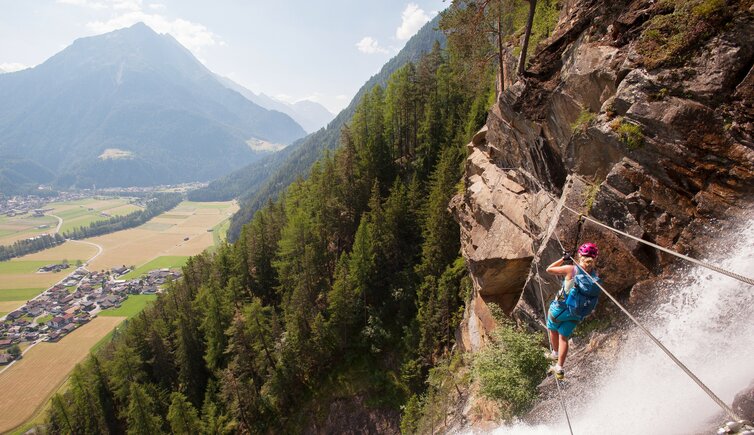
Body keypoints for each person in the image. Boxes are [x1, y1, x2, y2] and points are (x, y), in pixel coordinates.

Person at [545, 242, 601, 379]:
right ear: (594, 259)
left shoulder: (571, 269)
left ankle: (555, 353)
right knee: (563, 337)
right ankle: (559, 367)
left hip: (561, 308)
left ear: (580, 255)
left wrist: (563, 259)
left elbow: (549, 269)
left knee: (552, 328)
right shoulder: (594, 276)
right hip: (577, 313)